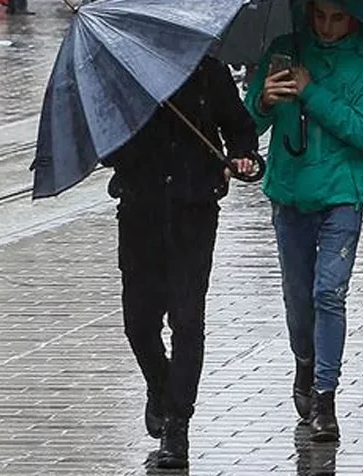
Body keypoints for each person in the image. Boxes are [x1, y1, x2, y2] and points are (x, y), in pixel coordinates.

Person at [244, 0, 363, 444]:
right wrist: (264, 101)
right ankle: (304, 361)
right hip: (290, 191)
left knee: (329, 292)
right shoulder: (285, 51)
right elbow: (247, 124)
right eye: (320, 16)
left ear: (355, 18)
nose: (327, 27)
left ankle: (325, 396)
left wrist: (311, 91)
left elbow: (362, 133)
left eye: (338, 18)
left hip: (341, 193)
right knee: (297, 296)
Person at [104, 57, 258, 471]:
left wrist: (241, 157)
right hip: (140, 211)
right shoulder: (128, 74)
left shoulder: (210, 71)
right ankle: (160, 384)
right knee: (139, 321)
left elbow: (240, 128)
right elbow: (106, 146)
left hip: (194, 210)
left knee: (187, 320)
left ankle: (178, 426)